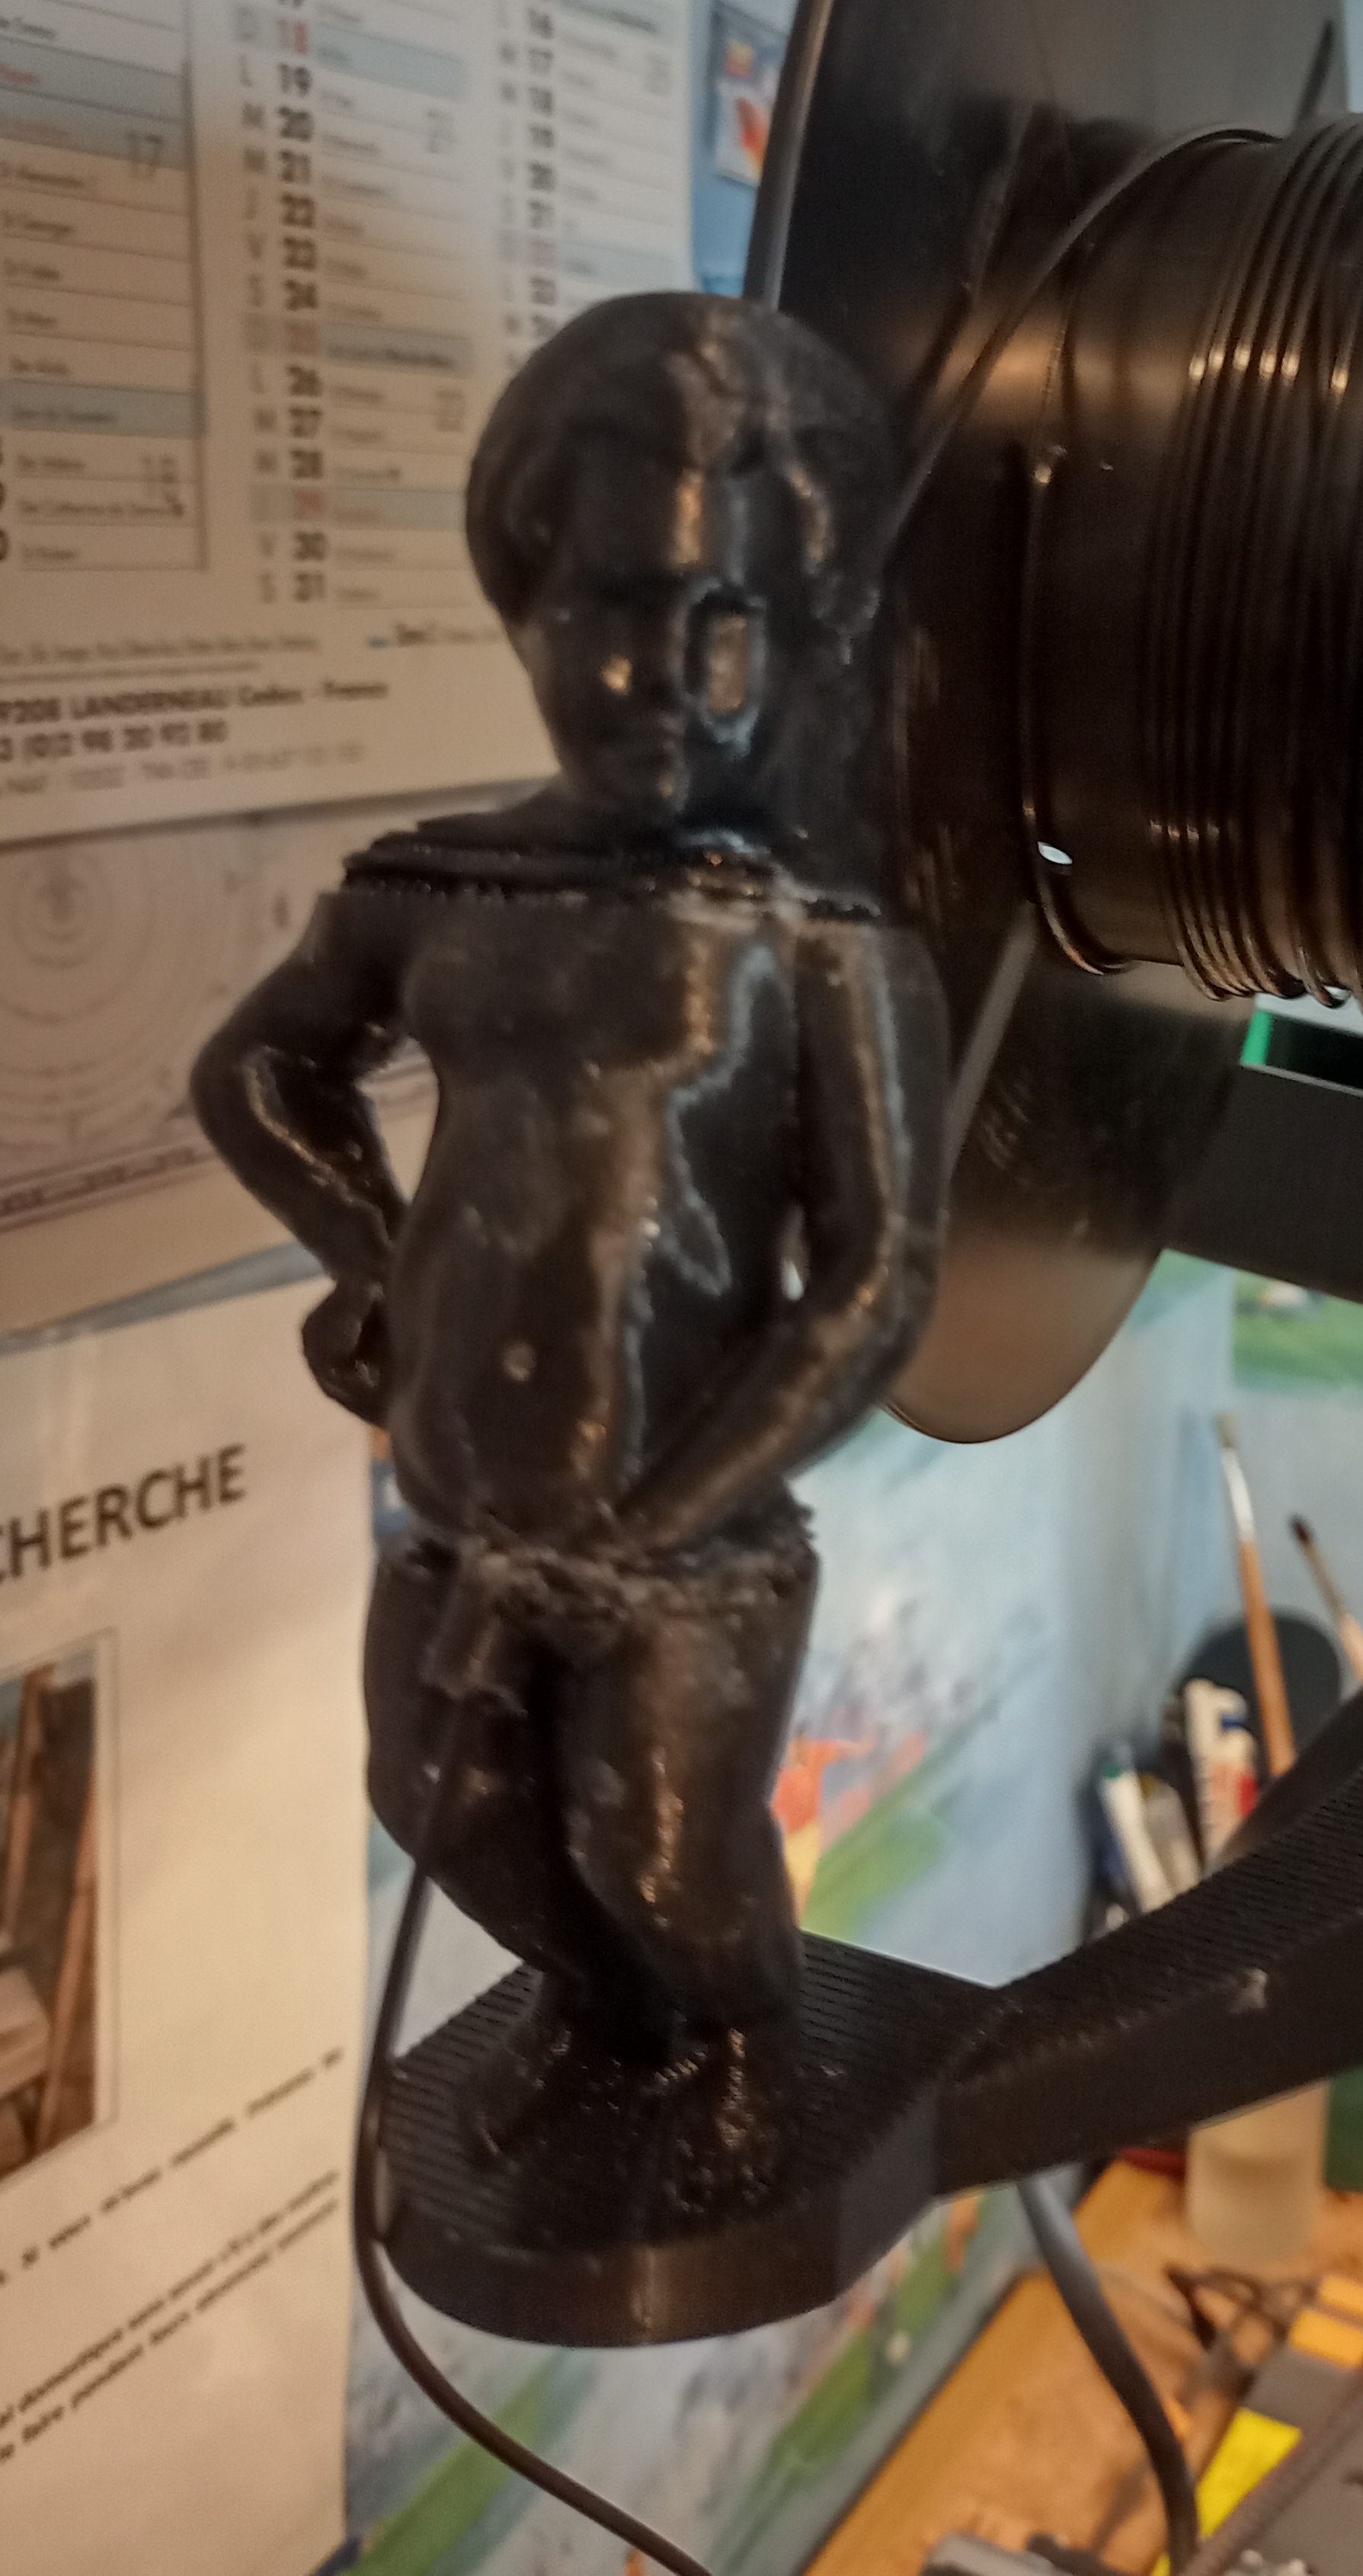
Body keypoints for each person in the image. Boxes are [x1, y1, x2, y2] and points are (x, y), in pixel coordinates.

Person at [194, 296, 946, 2132]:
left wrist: (659, 1520)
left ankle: (746, 2075)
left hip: (681, 1548)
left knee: (664, 1853)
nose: (671, 673)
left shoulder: (819, 950)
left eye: (727, 617)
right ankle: (616, 2033)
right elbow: (258, 1072)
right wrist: (373, 1259)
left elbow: (873, 1280)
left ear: (793, 636)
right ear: (526, 602)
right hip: (463, 1510)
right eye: (616, 605)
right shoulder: (440, 890)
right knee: (444, 1803)